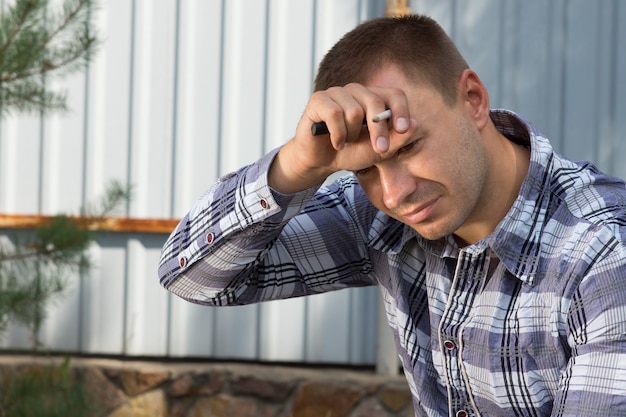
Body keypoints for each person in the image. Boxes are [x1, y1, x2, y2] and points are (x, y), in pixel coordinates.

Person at [158, 13, 626, 417]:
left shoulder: (602, 255)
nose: (395, 193)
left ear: (473, 100)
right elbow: (192, 276)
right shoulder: (384, 218)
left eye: (410, 146)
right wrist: (297, 165)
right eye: (364, 170)